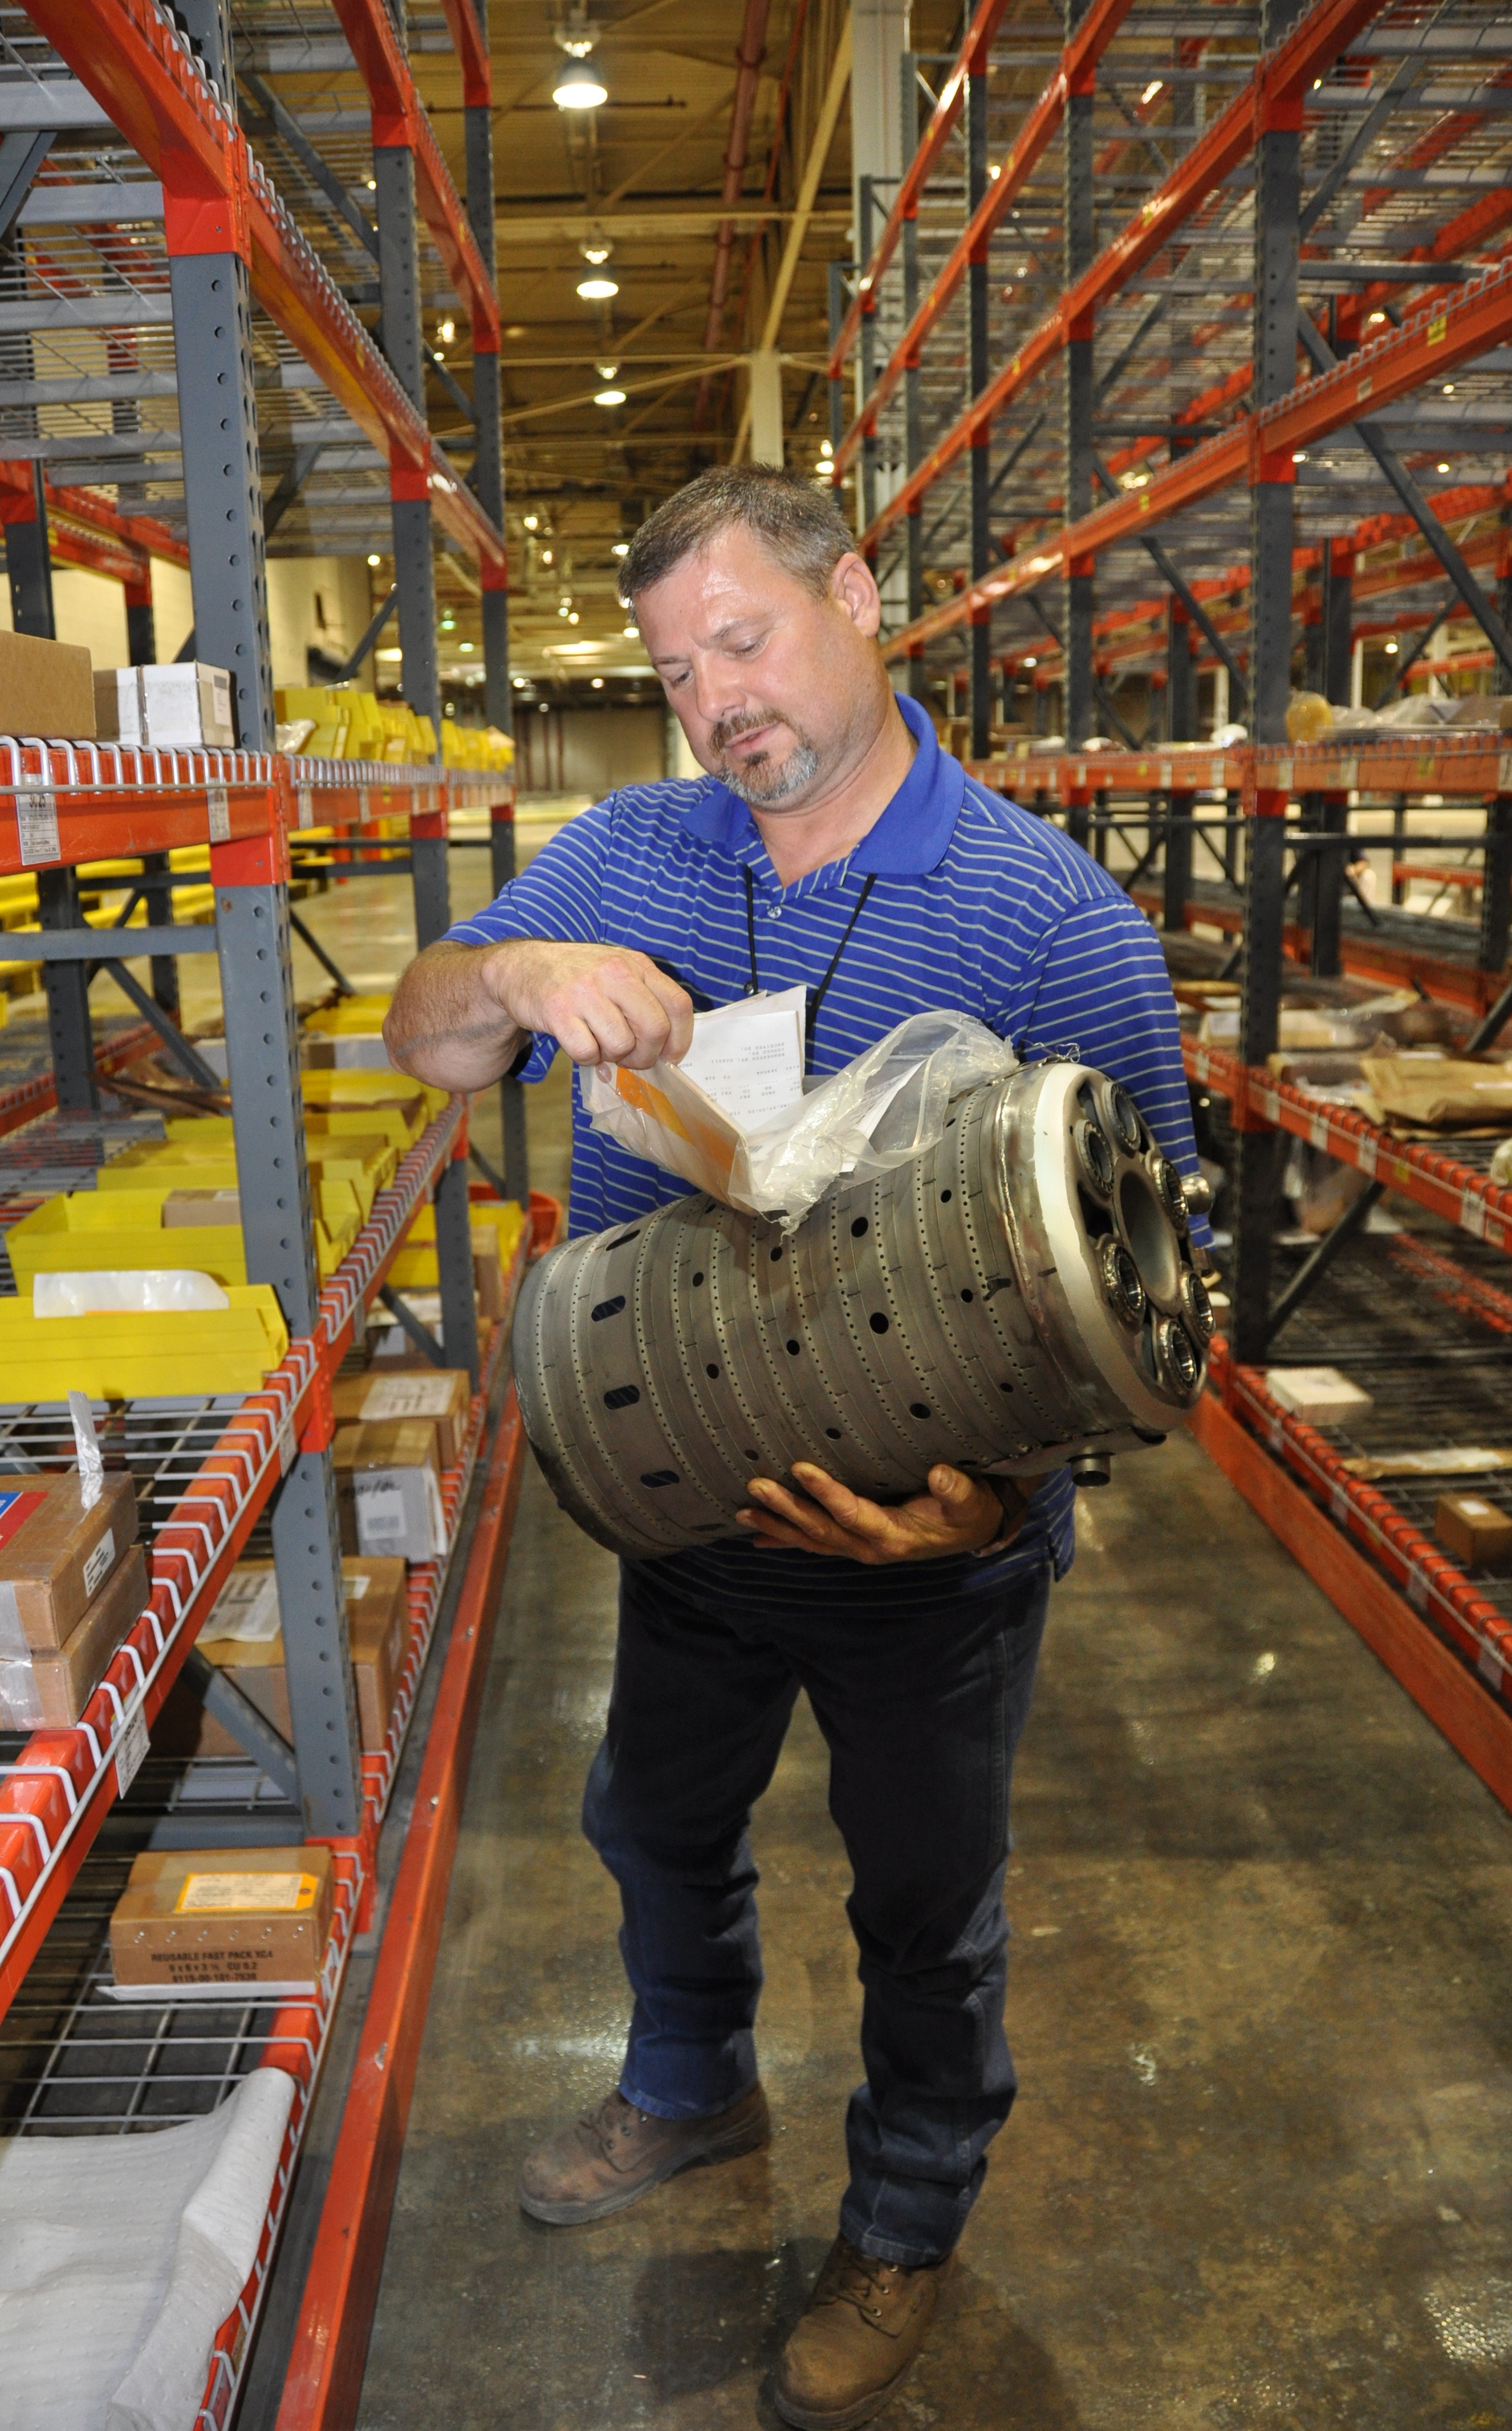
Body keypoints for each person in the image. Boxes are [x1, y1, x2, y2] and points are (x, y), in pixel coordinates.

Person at [385, 465, 1201, 2430]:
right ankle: (688, 2083)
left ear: (854, 597)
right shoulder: (631, 849)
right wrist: (507, 977)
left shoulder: (1041, 914)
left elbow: (1161, 1278)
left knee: (924, 1902)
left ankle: (907, 2219)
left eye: (744, 642)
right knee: (653, 1825)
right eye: (679, 672)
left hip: (930, 1551)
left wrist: (987, 1500)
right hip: (684, 1504)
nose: (717, 701)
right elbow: (424, 1031)